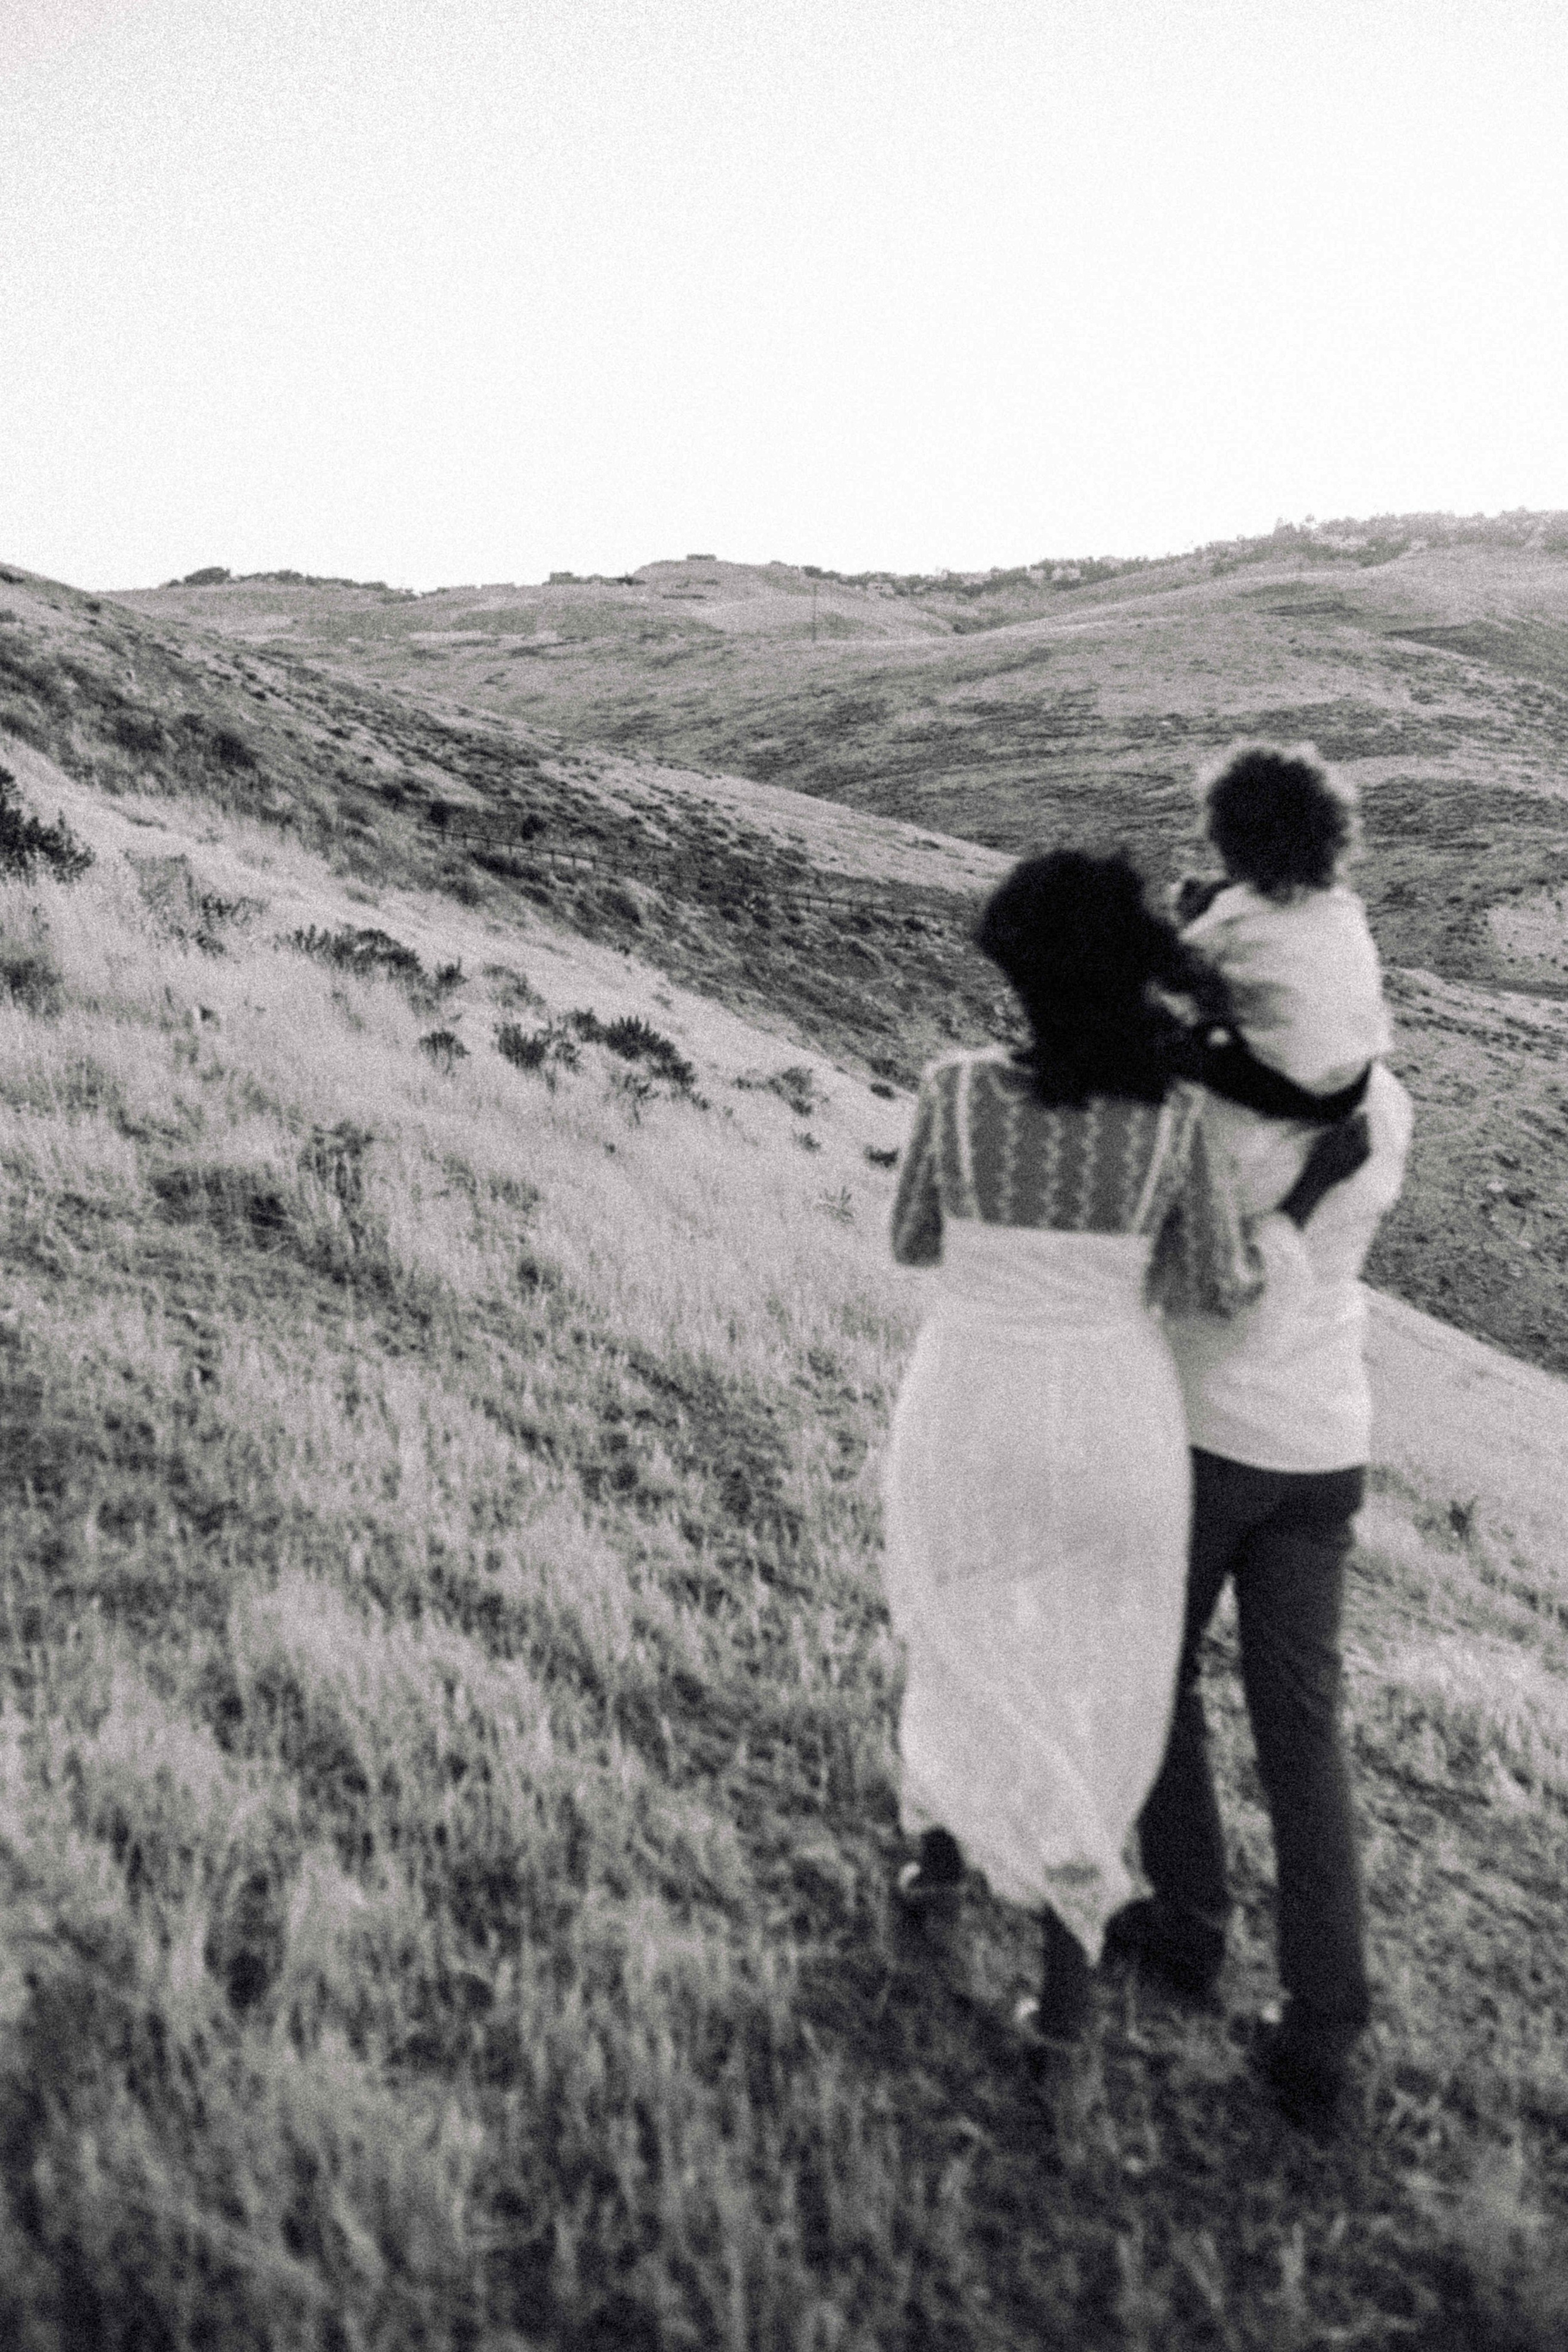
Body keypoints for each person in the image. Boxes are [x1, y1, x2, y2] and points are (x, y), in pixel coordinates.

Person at [882, 850, 1370, 2051]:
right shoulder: (1167, 1130)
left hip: (974, 1394)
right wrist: (1300, 1208)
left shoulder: (952, 1091)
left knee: (958, 1619)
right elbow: (1210, 1284)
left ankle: (936, 1857)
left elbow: (911, 1241)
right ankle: (1065, 2000)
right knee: (1085, 1675)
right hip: (1114, 1413)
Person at [1107, 1038, 1412, 2133]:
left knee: (1153, 1667)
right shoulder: (1385, 1103)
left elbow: (1204, 1276)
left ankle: (1187, 1921)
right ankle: (1325, 2022)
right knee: (1304, 1731)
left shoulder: (1205, 1109)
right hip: (1325, 1441)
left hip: (1204, 1429)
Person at [1175, 741, 1392, 1223]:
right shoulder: (1342, 906)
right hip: (1351, 1086)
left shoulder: (1230, 919)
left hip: (1279, 1093)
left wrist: (1190, 918)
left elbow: (1175, 978)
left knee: (1167, 1034)